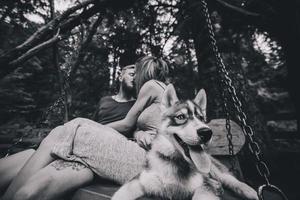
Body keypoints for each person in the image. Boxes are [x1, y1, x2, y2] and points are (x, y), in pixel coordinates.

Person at [1, 55, 169, 200]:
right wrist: (141, 133)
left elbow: (127, 124)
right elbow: (152, 124)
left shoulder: (150, 88)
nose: (134, 78)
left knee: (72, 126)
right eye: (131, 73)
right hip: (104, 150)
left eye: (136, 73)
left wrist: (87, 126)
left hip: (124, 156)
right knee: (64, 133)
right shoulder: (113, 100)